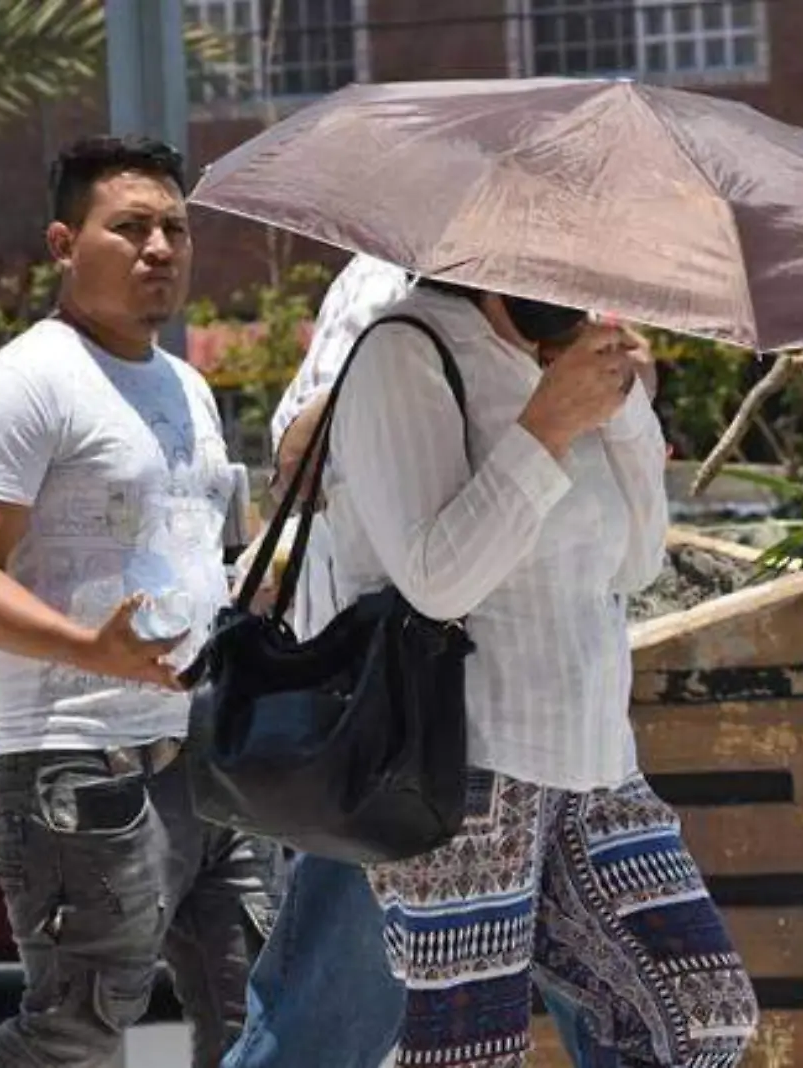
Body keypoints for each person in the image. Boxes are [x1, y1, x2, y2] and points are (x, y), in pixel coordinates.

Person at [323, 277, 757, 1066]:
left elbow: (635, 561)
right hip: (462, 762)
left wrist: (622, 409)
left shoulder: (567, 352)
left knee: (704, 1015)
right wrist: (545, 426)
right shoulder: (408, 349)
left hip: (594, 760)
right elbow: (436, 579)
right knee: (468, 1053)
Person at [0, 134, 277, 1068]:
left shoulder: (191, 388)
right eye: (130, 228)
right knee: (78, 1031)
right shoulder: (25, 383)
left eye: (175, 227)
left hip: (204, 747)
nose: (159, 248)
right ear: (61, 244)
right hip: (75, 761)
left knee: (262, 1011)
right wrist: (92, 648)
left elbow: (194, 548)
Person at [222, 259, 597, 1068]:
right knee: (332, 1010)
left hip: (520, 713)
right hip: (391, 721)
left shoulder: (551, 282)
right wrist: (429, 382)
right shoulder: (387, 291)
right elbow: (297, 457)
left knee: (597, 991)